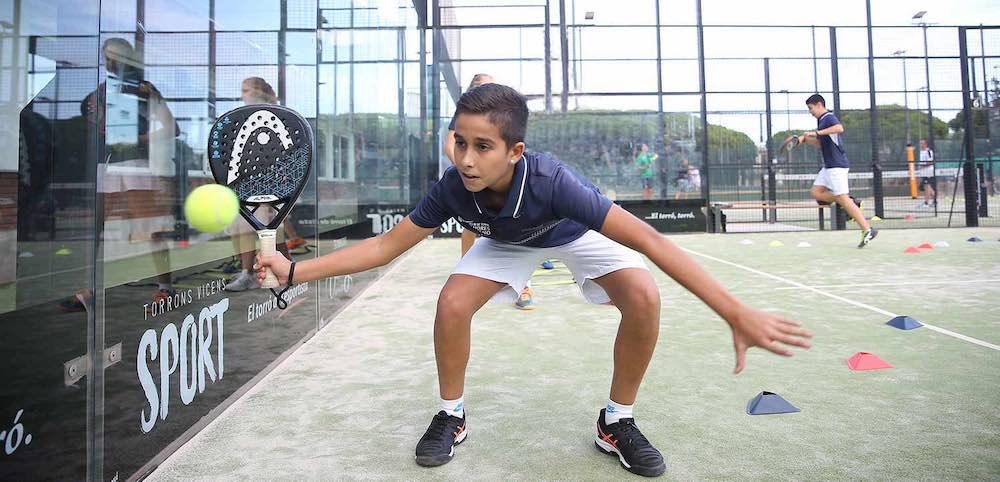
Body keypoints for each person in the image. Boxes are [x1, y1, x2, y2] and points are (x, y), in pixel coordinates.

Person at [254, 84, 813, 477]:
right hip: (505, 243)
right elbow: (384, 246)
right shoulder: (452, 186)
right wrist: (294, 269)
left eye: (482, 146)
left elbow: (652, 241)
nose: (466, 158)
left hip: (568, 234)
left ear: (514, 151)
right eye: (459, 142)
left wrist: (733, 311)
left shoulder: (555, 183)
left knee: (642, 293)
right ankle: (452, 415)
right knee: (452, 303)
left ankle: (617, 422)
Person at [444, 74, 538, 310]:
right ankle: (466, 268)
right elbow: (450, 144)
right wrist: (470, 169)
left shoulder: (504, 115)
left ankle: (523, 284)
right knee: (470, 225)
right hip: (476, 182)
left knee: (522, 229)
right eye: (479, 86)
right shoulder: (463, 115)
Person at [225, 77, 300, 292]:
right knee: (247, 227)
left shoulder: (277, 117)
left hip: (271, 186)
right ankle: (252, 272)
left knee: (266, 229)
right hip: (247, 184)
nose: (243, 94)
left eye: (246, 90)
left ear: (259, 92)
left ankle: (279, 271)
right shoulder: (243, 118)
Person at [798, 94, 877, 248]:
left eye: (811, 108)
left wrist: (815, 133)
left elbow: (840, 128)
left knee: (841, 198)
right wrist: (806, 139)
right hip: (828, 166)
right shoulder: (821, 121)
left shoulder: (828, 117)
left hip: (837, 166)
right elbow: (822, 144)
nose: (810, 112)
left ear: (819, 104)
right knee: (816, 192)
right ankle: (849, 201)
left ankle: (867, 229)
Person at [917, 138, 936, 208]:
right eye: (920, 143)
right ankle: (935, 201)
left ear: (925, 144)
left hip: (929, 171)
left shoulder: (929, 151)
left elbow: (930, 162)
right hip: (923, 172)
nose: (921, 145)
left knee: (927, 186)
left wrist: (923, 165)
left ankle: (926, 203)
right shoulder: (921, 151)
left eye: (922, 143)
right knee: (927, 187)